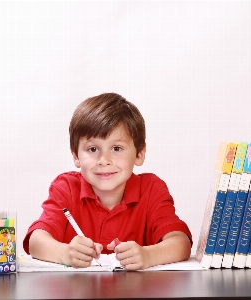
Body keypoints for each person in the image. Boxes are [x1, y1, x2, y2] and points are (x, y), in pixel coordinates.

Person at [23, 93, 192, 270]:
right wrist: (65, 253)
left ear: (139, 154)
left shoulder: (151, 189)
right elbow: (36, 241)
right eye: (93, 148)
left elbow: (181, 243)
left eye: (116, 148)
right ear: (76, 156)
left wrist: (148, 256)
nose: (104, 160)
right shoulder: (66, 188)